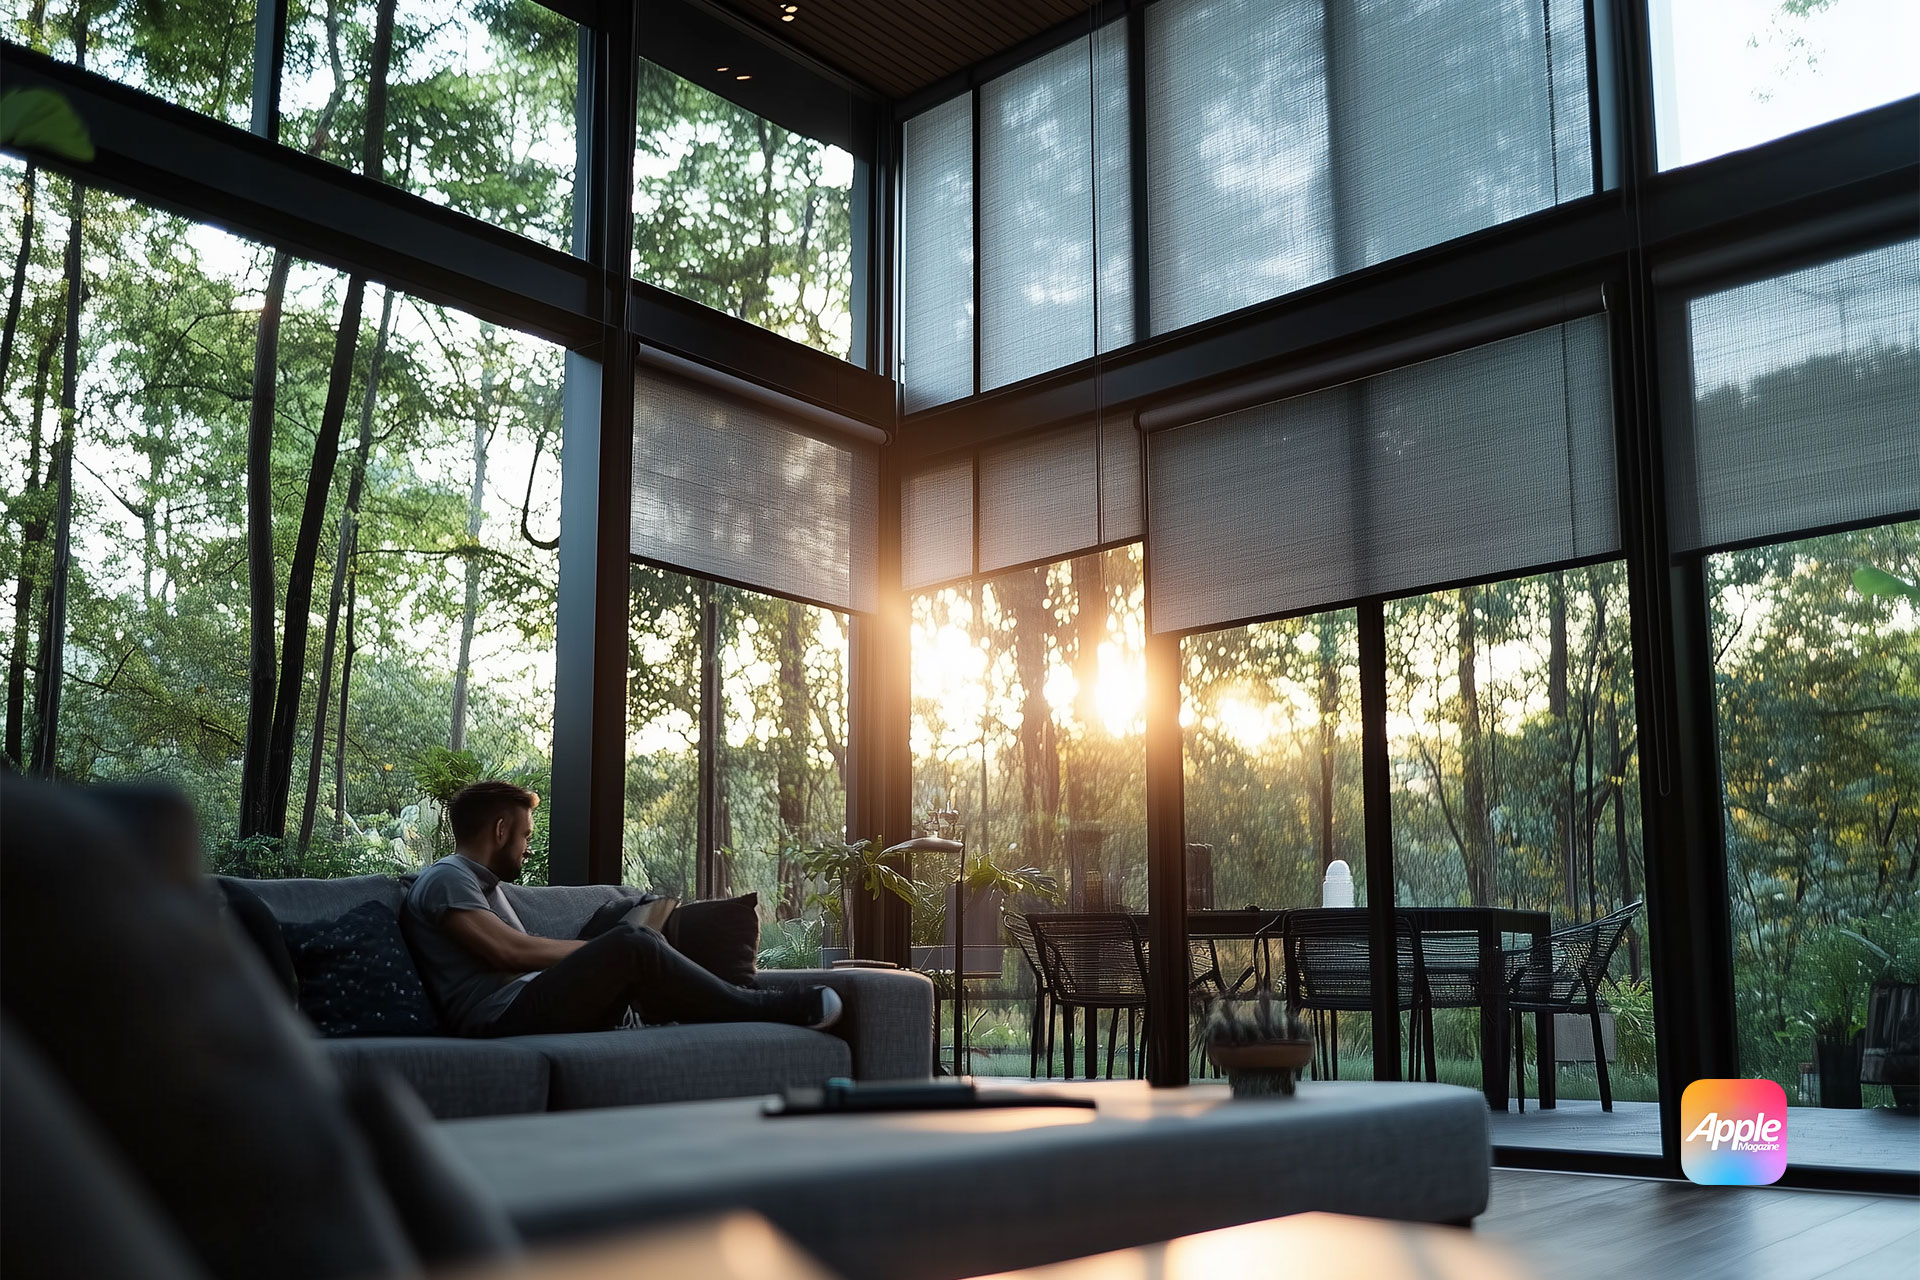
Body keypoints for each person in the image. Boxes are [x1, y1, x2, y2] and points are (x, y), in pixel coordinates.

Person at [403, 780, 839, 1038]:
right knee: (632, 942)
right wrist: (602, 950)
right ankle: (765, 1008)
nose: (528, 849)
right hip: (498, 1018)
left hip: (525, 1005)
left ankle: (712, 1006)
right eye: (526, 836)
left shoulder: (482, 885)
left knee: (637, 943)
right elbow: (510, 953)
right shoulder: (447, 878)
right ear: (500, 830)